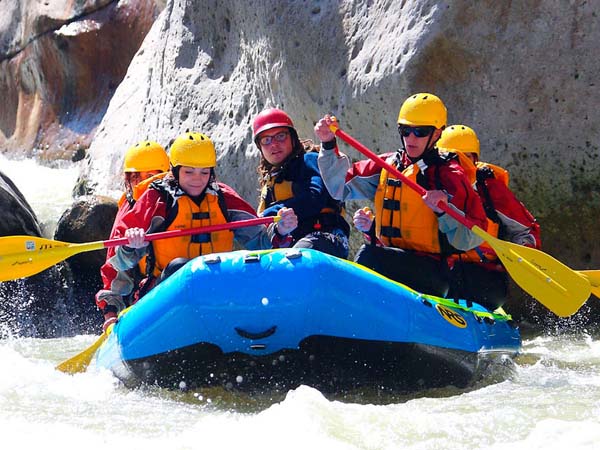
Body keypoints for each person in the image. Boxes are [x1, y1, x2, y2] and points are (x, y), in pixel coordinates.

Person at [98, 132, 298, 330]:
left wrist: (280, 230)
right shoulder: (157, 200)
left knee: (245, 265)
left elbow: (261, 243)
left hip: (217, 288)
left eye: (204, 172)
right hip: (166, 294)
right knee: (180, 267)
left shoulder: (223, 197)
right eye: (189, 172)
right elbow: (118, 262)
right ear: (175, 171)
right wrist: (131, 246)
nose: (197, 179)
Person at [314, 93, 489, 302]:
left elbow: (473, 236)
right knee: (371, 255)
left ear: (437, 134)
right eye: (405, 131)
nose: (411, 139)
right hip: (391, 259)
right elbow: (339, 187)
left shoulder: (449, 174)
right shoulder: (389, 165)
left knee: (369, 256)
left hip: (432, 272)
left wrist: (444, 210)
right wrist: (327, 144)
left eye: (420, 132)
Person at [437, 124, 541, 309]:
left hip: (482, 276)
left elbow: (527, 231)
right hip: (441, 270)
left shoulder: (490, 189)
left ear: (475, 160)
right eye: (453, 159)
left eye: (466, 158)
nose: (460, 166)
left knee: (459, 277)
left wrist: (520, 255)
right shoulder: (431, 184)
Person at [253, 108, 350, 258]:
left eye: (280, 136)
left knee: (299, 254)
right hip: (293, 245)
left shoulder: (309, 161)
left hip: (326, 237)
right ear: (260, 147)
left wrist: (272, 212)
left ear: (292, 138)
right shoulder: (270, 184)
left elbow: (314, 198)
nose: (273, 145)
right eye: (266, 140)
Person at [96, 141, 169, 331]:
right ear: (128, 180)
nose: (143, 184)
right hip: (143, 294)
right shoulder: (127, 213)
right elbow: (113, 269)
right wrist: (111, 313)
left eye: (151, 176)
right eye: (137, 177)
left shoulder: (176, 199)